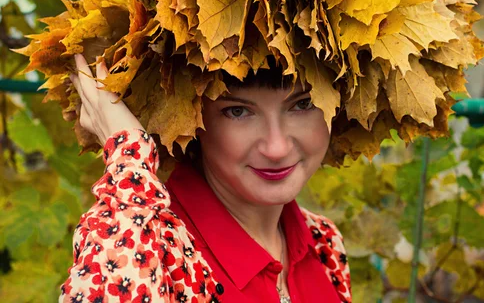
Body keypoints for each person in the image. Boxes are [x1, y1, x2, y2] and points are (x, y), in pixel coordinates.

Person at [61, 53, 351, 303]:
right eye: (237, 111)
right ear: (187, 117)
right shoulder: (153, 247)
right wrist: (129, 155)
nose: (277, 148)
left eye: (303, 104)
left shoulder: (323, 241)